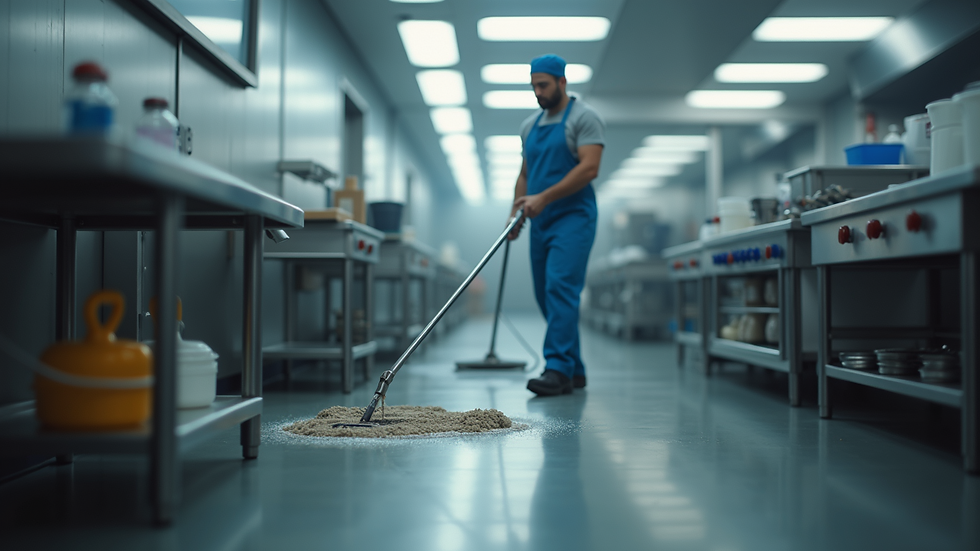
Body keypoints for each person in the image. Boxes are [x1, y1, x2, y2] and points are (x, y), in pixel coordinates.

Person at [508, 54, 605, 396]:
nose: (538, 92)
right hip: (539, 219)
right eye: (534, 86)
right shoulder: (529, 125)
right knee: (545, 294)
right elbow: (525, 173)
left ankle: (558, 369)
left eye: (543, 85)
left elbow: (589, 168)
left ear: (562, 82)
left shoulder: (584, 118)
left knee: (560, 287)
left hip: (573, 217)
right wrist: (515, 212)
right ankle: (575, 368)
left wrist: (544, 197)